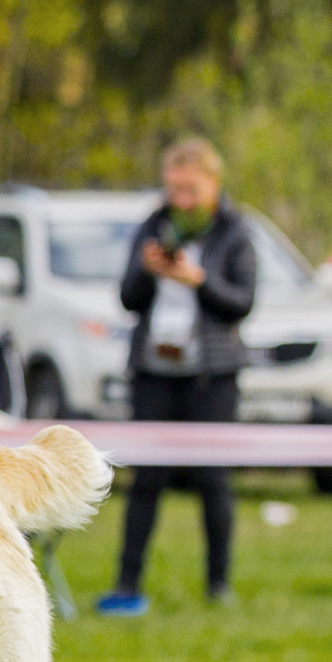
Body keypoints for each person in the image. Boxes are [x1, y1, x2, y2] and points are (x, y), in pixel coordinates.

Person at [95, 137, 257, 616]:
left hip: (212, 375)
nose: (181, 200)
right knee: (146, 481)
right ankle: (127, 583)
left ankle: (218, 583)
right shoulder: (152, 225)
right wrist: (148, 273)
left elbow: (243, 303)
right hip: (154, 372)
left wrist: (199, 281)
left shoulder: (235, 231)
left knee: (213, 480)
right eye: (174, 189)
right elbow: (127, 298)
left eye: (190, 189)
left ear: (213, 184)